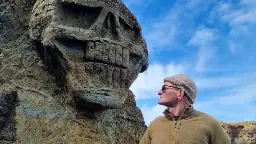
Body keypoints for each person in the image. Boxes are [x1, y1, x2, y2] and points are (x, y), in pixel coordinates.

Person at [139, 74, 231, 144]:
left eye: (164, 88)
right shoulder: (155, 124)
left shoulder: (209, 123)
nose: (159, 92)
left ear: (180, 92)